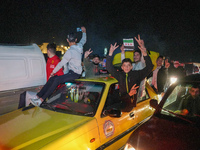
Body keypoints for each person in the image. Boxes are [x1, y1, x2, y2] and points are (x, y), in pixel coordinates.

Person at [30, 26, 87, 106]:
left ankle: (41, 100)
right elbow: (84, 40)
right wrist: (84, 32)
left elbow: (60, 64)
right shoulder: (79, 46)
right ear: (76, 40)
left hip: (75, 73)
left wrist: (52, 72)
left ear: (67, 40)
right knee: (53, 78)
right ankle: (37, 96)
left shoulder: (70, 52)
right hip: (74, 73)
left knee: (56, 80)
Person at [106, 35, 153, 112]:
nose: (126, 67)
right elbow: (109, 67)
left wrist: (144, 53)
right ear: (122, 67)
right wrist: (110, 53)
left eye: (128, 65)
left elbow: (149, 67)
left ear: (131, 67)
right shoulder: (120, 75)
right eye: (124, 65)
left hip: (129, 106)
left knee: (108, 110)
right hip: (121, 101)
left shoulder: (136, 74)